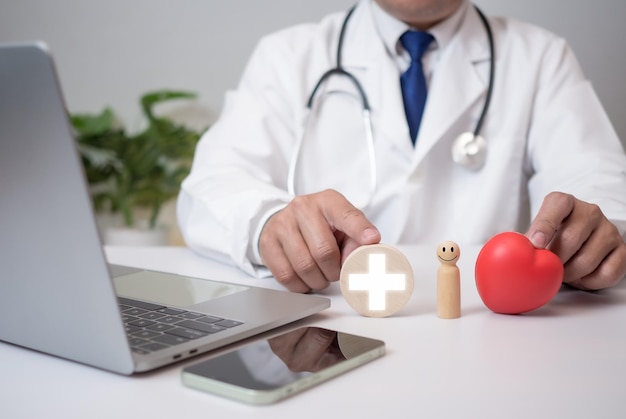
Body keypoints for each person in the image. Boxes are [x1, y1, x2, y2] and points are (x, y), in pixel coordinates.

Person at [177, 0, 626, 294]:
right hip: (329, 332)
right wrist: (269, 224)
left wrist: (595, 234)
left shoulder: (540, 57)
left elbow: (599, 185)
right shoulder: (287, 56)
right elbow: (211, 188)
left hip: (482, 333)